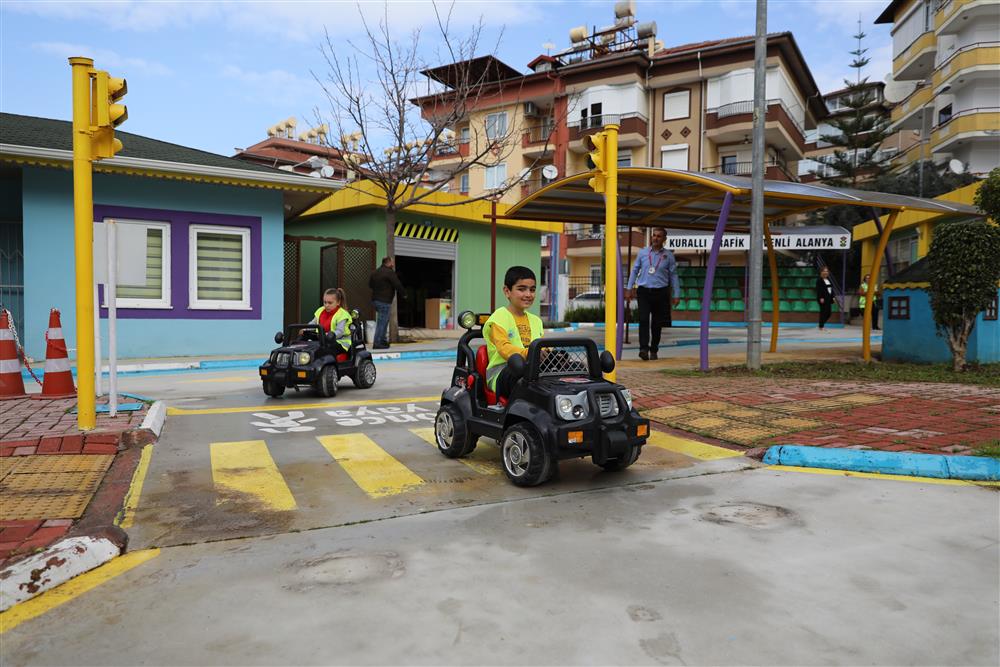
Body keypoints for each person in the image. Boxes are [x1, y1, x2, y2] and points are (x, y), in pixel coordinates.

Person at [484, 266, 544, 401]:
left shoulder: (536, 321)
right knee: (521, 372)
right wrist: (530, 354)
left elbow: (541, 346)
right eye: (522, 289)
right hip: (502, 371)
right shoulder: (499, 317)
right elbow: (504, 348)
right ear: (507, 291)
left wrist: (549, 354)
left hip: (531, 369)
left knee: (570, 370)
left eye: (532, 290)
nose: (528, 294)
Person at [625, 227, 680, 360]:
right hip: (644, 291)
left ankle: (654, 349)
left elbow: (673, 275)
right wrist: (629, 288)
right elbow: (635, 270)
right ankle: (643, 349)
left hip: (661, 293)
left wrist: (676, 294)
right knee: (643, 320)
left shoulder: (668, 256)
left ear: (664, 239)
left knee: (656, 323)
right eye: (654, 235)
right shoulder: (643, 253)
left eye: (659, 236)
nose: (655, 238)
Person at [369, 256, 405, 349]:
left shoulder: (375, 272)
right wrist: (404, 294)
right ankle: (377, 343)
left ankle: (383, 341)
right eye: (392, 262)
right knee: (382, 322)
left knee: (383, 321)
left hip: (375, 300)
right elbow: (397, 284)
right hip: (384, 301)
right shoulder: (389, 272)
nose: (393, 264)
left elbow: (370, 285)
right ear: (388, 262)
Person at [309, 287, 353, 353]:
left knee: (323, 350)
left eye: (330, 303)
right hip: (322, 340)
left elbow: (340, 331)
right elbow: (313, 323)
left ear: (338, 302)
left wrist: (328, 335)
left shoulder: (343, 314)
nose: (326, 305)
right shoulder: (320, 310)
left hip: (340, 342)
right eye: (325, 302)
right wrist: (305, 329)